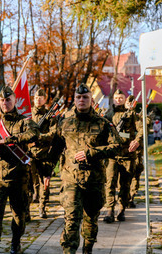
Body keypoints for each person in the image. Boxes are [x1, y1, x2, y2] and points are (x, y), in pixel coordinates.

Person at [44, 84, 121, 254]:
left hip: (94, 180)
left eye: (85, 97)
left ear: (91, 100)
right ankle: (69, 251)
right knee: (71, 219)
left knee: (91, 219)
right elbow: (56, 147)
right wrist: (48, 171)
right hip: (71, 178)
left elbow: (117, 147)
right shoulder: (65, 122)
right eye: (78, 97)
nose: (81, 100)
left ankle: (87, 249)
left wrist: (92, 152)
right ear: (75, 100)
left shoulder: (103, 124)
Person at [0, 86, 40, 254]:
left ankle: (16, 244)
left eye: (8, 100)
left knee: (19, 214)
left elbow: (35, 133)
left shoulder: (23, 121)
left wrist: (13, 139)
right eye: (2, 100)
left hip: (18, 176)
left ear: (15, 100)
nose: (5, 103)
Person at [103, 89, 143, 223]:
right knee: (110, 184)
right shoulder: (108, 114)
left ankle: (121, 210)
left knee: (125, 185)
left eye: (121, 98)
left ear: (125, 99)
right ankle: (109, 210)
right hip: (112, 155)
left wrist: (136, 140)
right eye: (116, 97)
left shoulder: (131, 114)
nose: (118, 100)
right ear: (113, 99)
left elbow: (142, 128)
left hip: (127, 156)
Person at [29, 88, 56, 218]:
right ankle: (26, 209)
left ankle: (42, 207)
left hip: (45, 153)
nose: (38, 100)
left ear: (45, 99)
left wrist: (39, 137)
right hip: (30, 154)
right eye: (36, 98)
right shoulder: (28, 115)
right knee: (29, 181)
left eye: (41, 98)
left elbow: (53, 133)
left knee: (44, 182)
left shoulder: (50, 116)